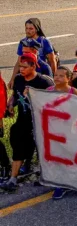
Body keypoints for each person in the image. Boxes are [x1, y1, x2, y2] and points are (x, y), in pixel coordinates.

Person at [0, 53, 53, 192]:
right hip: (23, 120)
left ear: (33, 66)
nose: (21, 70)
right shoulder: (18, 79)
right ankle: (13, 179)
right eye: (20, 67)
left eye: (24, 67)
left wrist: (32, 96)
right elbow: (15, 96)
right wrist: (11, 104)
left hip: (40, 123)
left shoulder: (44, 82)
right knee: (16, 140)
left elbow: (53, 103)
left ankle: (46, 175)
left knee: (41, 148)